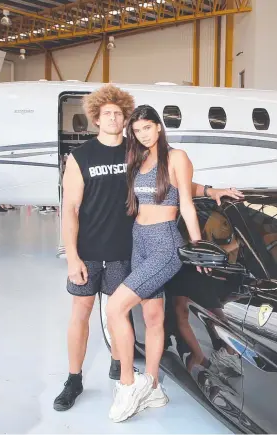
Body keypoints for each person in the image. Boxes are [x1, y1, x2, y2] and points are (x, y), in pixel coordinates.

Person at [54, 85, 243, 413]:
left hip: (130, 249)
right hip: (94, 249)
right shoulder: (88, 156)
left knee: (124, 312)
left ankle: (127, 377)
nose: (113, 118)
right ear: (96, 118)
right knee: (83, 313)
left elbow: (177, 184)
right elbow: (69, 208)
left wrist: (209, 190)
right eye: (106, 114)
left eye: (118, 113)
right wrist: (71, 255)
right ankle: (75, 378)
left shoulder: (137, 150)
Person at [105, 104, 205, 422]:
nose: (142, 134)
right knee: (152, 316)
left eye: (147, 127)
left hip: (165, 244)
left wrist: (198, 245)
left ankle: (129, 384)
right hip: (140, 240)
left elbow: (186, 202)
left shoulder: (176, 157)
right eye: (136, 130)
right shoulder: (139, 159)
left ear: (159, 127)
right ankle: (155, 387)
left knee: (115, 308)